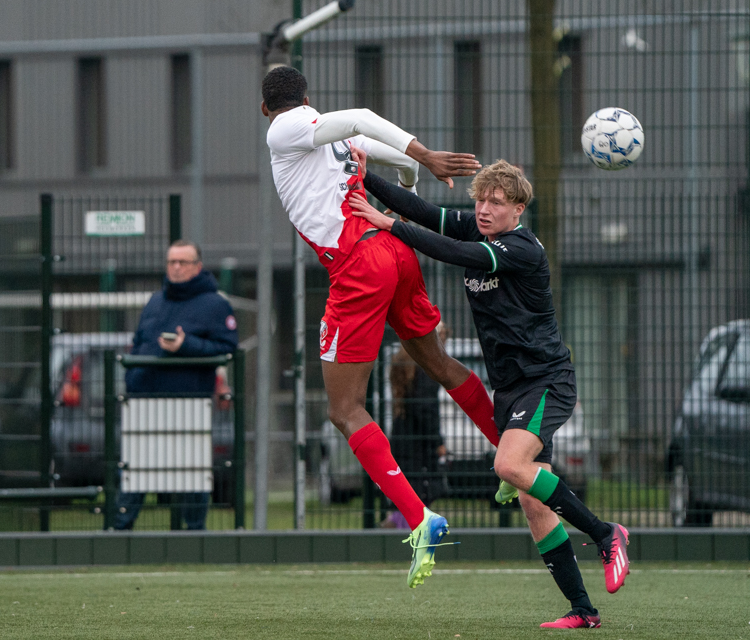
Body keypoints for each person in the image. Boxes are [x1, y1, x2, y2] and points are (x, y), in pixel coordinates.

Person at [349, 154, 629, 628]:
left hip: (545, 381)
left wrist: (387, 226)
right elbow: (427, 212)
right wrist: (363, 176)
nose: (484, 209)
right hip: (511, 388)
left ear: (518, 209)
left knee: (508, 465)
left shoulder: (521, 248)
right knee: (533, 504)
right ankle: (584, 611)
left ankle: (606, 534)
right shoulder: (481, 228)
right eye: (480, 199)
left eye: (496, 202)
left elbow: (456, 253)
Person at [261, 65, 501, 589]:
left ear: (268, 109)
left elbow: (364, 120)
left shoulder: (282, 129)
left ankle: (421, 519)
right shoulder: (329, 137)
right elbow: (369, 140)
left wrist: (426, 156)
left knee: (343, 409)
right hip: (395, 248)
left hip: (357, 264)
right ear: (310, 97)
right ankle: (507, 452)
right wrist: (414, 174)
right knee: (434, 362)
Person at [113, 240, 238, 530]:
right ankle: (119, 531)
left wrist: (186, 345)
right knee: (136, 469)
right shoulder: (156, 301)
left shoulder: (215, 304)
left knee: (191, 471)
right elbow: (140, 342)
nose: (177, 268)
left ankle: (195, 533)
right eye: (172, 262)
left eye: (183, 262)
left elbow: (227, 350)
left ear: (198, 266)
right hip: (143, 402)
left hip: (188, 403)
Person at [381, 323, 450, 529]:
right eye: (443, 337)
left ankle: (397, 521)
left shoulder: (402, 359)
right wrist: (437, 441)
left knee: (405, 483)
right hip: (420, 438)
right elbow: (427, 407)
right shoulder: (426, 367)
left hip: (402, 431)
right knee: (422, 487)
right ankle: (404, 525)